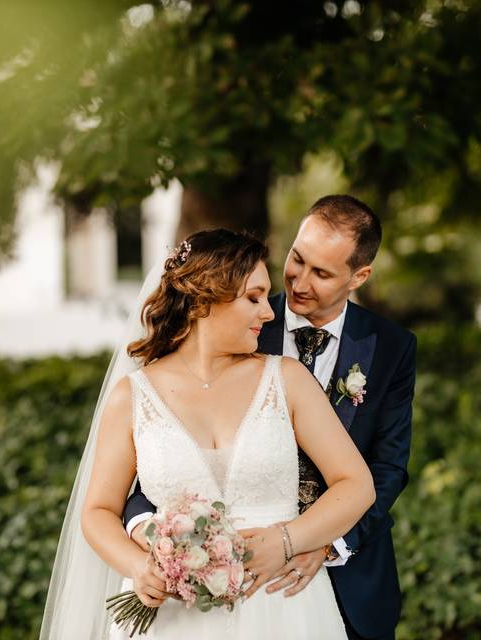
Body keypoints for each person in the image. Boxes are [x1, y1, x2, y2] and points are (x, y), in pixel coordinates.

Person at [40, 228, 375, 639]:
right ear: (203, 301)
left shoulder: (287, 380)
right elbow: (98, 512)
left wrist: (288, 540)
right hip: (173, 619)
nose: (269, 312)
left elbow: (357, 485)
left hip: (283, 610)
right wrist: (138, 568)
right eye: (253, 298)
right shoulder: (132, 396)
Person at [125, 196, 416, 639]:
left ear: (359, 276)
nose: (299, 280)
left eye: (322, 273)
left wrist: (319, 542)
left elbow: (387, 469)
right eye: (298, 259)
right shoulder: (237, 323)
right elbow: (161, 453)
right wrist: (164, 540)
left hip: (346, 574)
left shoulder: (391, 347)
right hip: (210, 586)